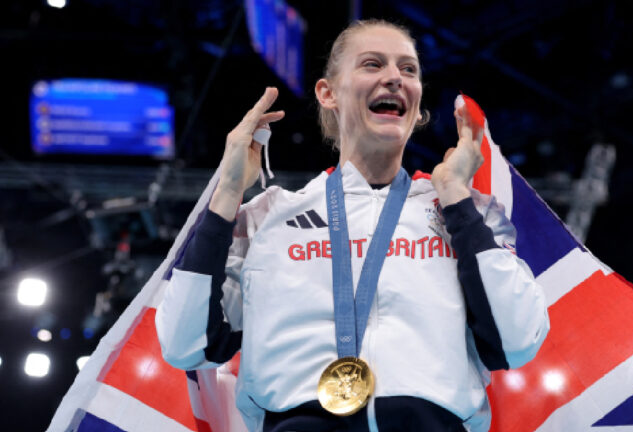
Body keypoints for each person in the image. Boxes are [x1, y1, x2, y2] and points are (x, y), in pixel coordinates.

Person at [156, 19, 549, 432]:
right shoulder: (268, 217)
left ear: (417, 106)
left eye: (408, 69)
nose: (394, 78)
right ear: (328, 93)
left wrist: (454, 193)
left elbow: (518, 338)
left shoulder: (468, 215)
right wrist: (228, 192)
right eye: (372, 64)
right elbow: (185, 344)